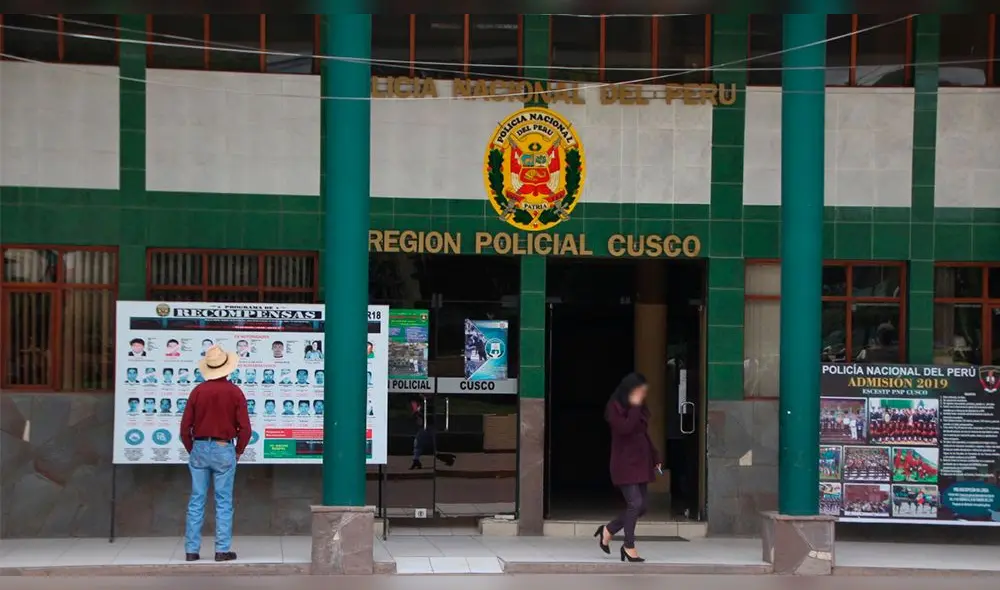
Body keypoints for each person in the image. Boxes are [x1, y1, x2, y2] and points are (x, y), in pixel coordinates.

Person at [179, 345, 251, 563]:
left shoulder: (198, 391)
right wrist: (237, 451)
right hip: (223, 447)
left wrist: (194, 449)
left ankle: (192, 550)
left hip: (199, 447)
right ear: (227, 368)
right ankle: (221, 550)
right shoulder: (235, 392)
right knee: (223, 501)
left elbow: (184, 428)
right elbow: (246, 429)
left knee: (196, 500)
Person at [595, 372, 660, 563]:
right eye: (639, 391)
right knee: (635, 503)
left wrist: (655, 456)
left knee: (642, 507)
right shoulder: (614, 407)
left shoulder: (638, 407)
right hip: (624, 462)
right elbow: (625, 429)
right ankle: (628, 546)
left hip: (642, 460)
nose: (642, 395)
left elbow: (643, 433)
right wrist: (634, 406)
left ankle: (609, 530)